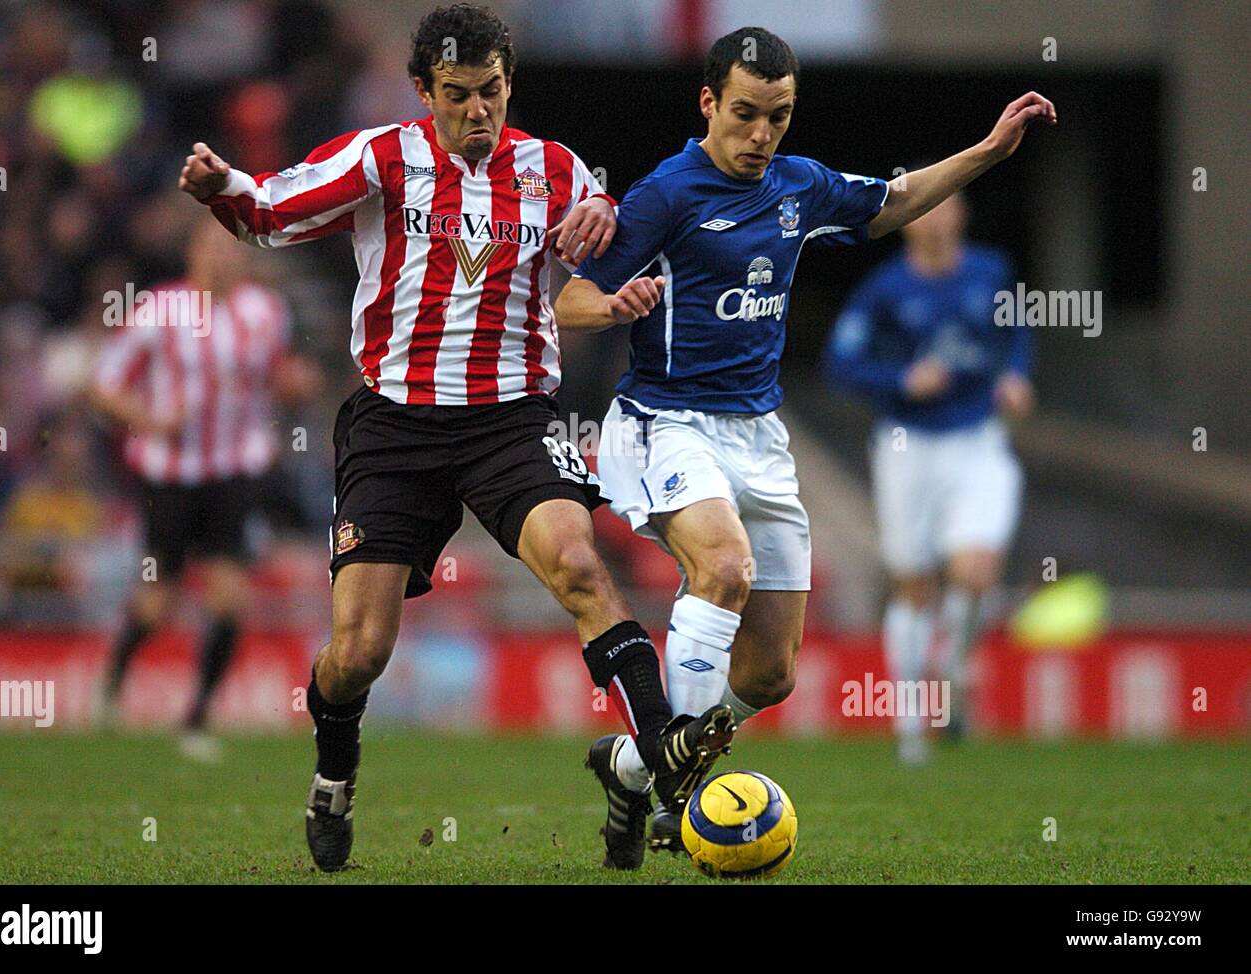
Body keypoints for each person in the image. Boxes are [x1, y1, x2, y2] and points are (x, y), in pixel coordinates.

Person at [178, 3, 732, 873]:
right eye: (460, 94)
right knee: (358, 652)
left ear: (511, 84)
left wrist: (607, 248)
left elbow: (601, 241)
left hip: (511, 418)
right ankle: (334, 772)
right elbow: (271, 212)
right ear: (423, 92)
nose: (479, 111)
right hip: (393, 424)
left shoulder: (554, 171)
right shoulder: (382, 157)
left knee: (583, 568)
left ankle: (670, 776)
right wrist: (222, 188)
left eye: (493, 92)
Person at [555, 26, 1054, 849]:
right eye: (746, 114)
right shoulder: (664, 196)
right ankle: (683, 800)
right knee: (722, 568)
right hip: (666, 422)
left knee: (771, 674)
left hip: (759, 433)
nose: (761, 136)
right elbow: (571, 298)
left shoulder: (799, 185)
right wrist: (612, 307)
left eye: (778, 118)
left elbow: (892, 203)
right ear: (709, 102)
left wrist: (990, 152)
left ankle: (635, 767)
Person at [90, 215, 312, 761]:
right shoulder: (160, 310)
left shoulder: (265, 312)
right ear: (193, 253)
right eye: (212, 247)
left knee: (230, 598)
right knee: (157, 602)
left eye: (231, 248)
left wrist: (294, 385)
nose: (222, 258)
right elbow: (104, 386)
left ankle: (196, 718)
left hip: (236, 471)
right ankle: (112, 686)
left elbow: (280, 379)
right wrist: (151, 418)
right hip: (170, 476)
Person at [826, 192, 1033, 763]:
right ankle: (913, 721)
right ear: (906, 224)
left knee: (976, 569)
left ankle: (955, 668)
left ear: (961, 215)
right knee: (914, 584)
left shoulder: (992, 272)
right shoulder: (884, 290)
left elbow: (1015, 333)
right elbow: (840, 363)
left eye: (946, 206)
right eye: (924, 209)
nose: (936, 218)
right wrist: (900, 380)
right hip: (906, 445)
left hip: (977, 439)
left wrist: (1015, 375)